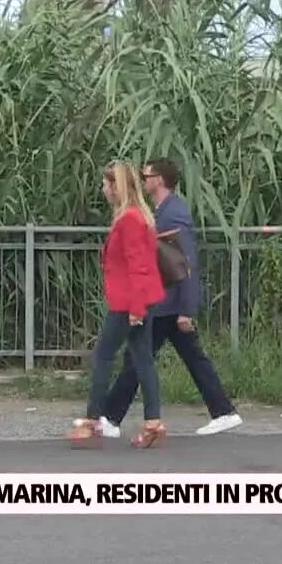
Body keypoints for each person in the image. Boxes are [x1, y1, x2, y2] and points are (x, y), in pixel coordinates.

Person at [98, 158, 243, 438]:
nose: (142, 179)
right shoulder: (161, 211)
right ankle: (223, 411)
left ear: (159, 180)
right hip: (167, 302)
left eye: (146, 175)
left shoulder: (173, 214)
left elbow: (184, 262)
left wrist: (187, 308)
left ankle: (111, 418)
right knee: (185, 357)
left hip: (169, 303)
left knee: (138, 359)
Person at [70, 161, 168, 449]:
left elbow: (139, 266)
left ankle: (92, 419)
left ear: (117, 187)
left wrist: (136, 307)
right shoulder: (140, 218)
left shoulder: (129, 220)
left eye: (106, 184)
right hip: (139, 299)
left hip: (129, 302)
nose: (103, 189)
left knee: (103, 356)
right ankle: (152, 421)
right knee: (142, 358)